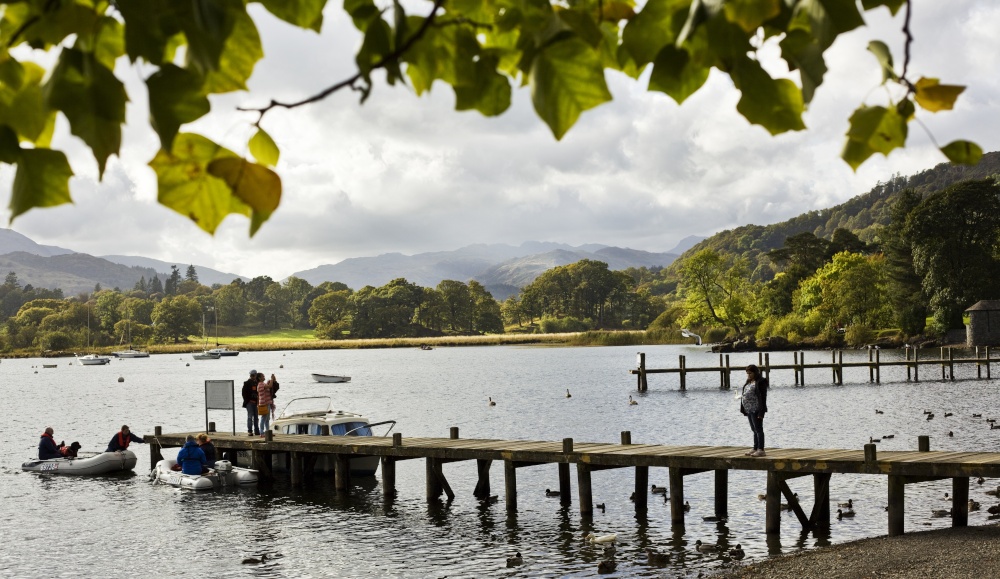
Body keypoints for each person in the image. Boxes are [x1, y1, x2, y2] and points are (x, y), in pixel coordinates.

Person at [740, 364, 769, 457]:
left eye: (750, 373)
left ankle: (761, 449)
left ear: (755, 372)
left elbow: (763, 398)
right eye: (747, 373)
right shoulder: (749, 381)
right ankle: (755, 448)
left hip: (757, 408)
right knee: (754, 429)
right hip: (749, 409)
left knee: (758, 429)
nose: (748, 375)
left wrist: (761, 412)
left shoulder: (760, 382)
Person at [242, 370, 260, 436]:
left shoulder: (258, 383)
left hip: (256, 403)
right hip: (249, 403)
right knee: (250, 417)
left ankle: (257, 431)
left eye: (254, 375)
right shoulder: (246, 383)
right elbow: (244, 393)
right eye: (251, 375)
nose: (252, 377)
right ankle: (250, 431)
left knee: (256, 417)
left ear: (256, 375)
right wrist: (247, 401)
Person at [257, 371, 275, 435]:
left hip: (267, 403)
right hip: (264, 403)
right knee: (264, 418)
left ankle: (267, 431)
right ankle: (261, 432)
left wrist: (271, 381)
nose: (264, 377)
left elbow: (268, 386)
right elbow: (269, 386)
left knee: (267, 418)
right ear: (259, 378)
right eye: (262, 376)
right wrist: (272, 379)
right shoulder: (261, 384)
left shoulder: (263, 384)